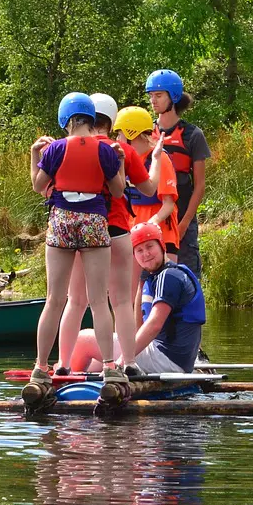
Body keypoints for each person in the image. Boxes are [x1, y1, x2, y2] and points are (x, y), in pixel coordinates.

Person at [25, 93, 128, 407]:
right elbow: (119, 189)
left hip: (61, 222)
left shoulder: (54, 149)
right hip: (95, 223)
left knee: (55, 300)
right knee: (99, 301)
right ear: (90, 118)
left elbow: (38, 185)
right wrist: (120, 162)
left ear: (66, 119)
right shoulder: (105, 150)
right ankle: (110, 369)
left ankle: (41, 369)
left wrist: (34, 155)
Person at [54, 94, 162, 374]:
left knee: (76, 301)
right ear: (111, 120)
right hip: (117, 232)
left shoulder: (69, 148)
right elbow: (149, 189)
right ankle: (128, 362)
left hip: (82, 235)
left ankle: (64, 364)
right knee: (122, 301)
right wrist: (158, 159)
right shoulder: (117, 149)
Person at [72, 222, 206, 375]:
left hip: (166, 359)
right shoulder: (157, 276)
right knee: (98, 361)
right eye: (139, 250)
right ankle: (80, 376)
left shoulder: (169, 276)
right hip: (173, 359)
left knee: (84, 340)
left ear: (162, 245)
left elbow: (154, 324)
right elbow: (139, 328)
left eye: (150, 247)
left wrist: (123, 362)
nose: (146, 254)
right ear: (134, 256)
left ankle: (66, 384)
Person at [146, 69, 210, 278]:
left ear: (173, 97)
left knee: (186, 278)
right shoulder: (146, 133)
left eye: (158, 95)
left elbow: (199, 186)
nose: (153, 101)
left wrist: (183, 224)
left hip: (182, 217)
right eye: (151, 95)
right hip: (153, 216)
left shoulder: (193, 134)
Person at [114, 105, 180, 260]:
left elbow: (169, 204)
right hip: (134, 232)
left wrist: (151, 223)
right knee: (136, 284)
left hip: (161, 234)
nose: (117, 139)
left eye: (119, 134)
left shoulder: (159, 159)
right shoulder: (126, 159)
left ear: (132, 134)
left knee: (162, 283)